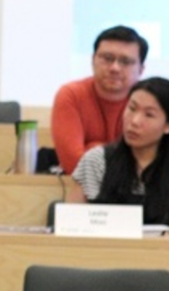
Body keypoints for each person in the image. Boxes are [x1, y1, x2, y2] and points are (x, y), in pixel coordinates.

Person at [68, 78, 169, 225]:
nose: (134, 121)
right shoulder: (97, 161)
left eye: (149, 115)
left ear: (167, 126)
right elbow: (71, 225)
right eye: (132, 108)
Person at [51, 25, 147, 174]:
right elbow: (73, 164)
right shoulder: (71, 95)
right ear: (92, 60)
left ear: (141, 69)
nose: (114, 68)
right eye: (107, 59)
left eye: (125, 61)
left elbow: (155, 165)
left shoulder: (152, 102)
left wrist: (93, 148)